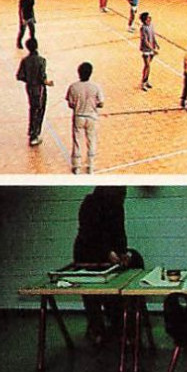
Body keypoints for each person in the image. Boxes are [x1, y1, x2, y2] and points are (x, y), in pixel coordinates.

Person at [73, 187, 127, 345]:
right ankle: (96, 329)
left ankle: (117, 327)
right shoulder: (90, 203)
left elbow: (120, 232)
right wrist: (108, 252)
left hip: (108, 251)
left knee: (113, 293)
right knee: (92, 296)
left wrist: (122, 251)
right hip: (87, 252)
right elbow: (89, 233)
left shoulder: (118, 206)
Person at [65, 62, 104, 174]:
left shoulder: (73, 87)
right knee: (91, 141)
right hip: (91, 116)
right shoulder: (96, 87)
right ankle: (90, 166)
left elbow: (70, 104)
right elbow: (101, 103)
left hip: (78, 116)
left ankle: (77, 166)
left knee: (77, 141)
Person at [15, 37, 53, 147]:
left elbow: (20, 76)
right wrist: (47, 82)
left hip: (30, 88)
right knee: (39, 110)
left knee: (32, 108)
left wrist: (29, 79)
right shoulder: (41, 60)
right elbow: (42, 77)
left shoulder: (25, 61)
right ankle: (34, 134)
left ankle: (32, 132)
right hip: (39, 88)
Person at [137, 11, 158, 90]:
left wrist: (156, 43)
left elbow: (153, 35)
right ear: (145, 20)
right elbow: (145, 40)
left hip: (151, 48)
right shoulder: (143, 28)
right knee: (147, 65)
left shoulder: (151, 25)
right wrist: (152, 49)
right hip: (146, 49)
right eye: (148, 17)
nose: (150, 18)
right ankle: (143, 82)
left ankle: (146, 80)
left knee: (148, 66)